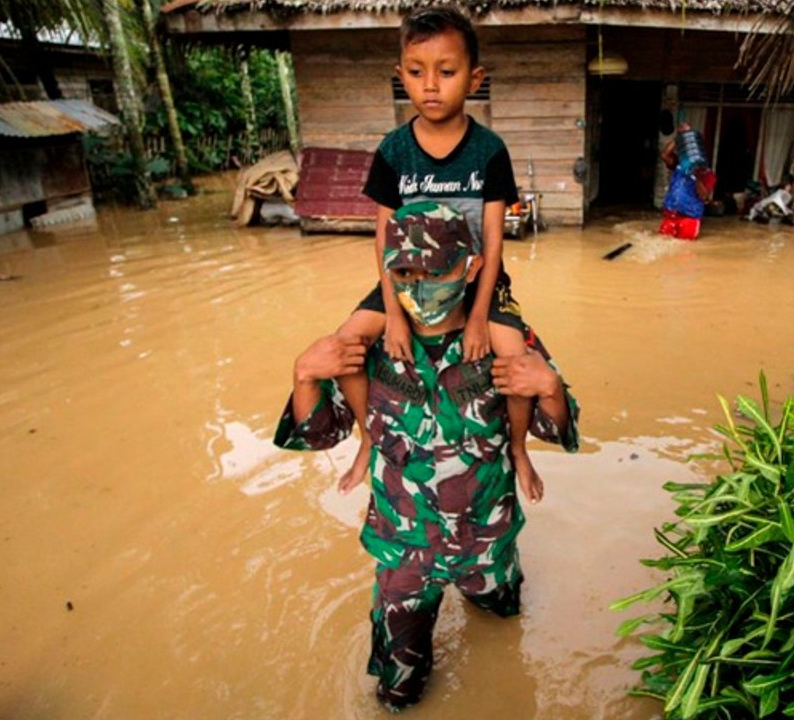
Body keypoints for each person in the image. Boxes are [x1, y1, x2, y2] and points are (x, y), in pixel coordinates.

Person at [276, 203, 580, 711]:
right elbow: (320, 433)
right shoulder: (368, 347)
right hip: (405, 549)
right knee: (398, 689)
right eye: (404, 273)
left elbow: (555, 426)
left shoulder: (503, 341)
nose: (419, 286)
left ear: (470, 267)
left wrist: (550, 388)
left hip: (488, 540)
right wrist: (303, 374)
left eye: (435, 271)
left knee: (504, 629)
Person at [334, 7, 545, 505]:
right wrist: (394, 316)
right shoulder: (393, 151)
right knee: (346, 343)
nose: (430, 85)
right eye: (415, 71)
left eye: (446, 72)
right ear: (400, 74)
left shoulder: (489, 150)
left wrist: (476, 317)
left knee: (514, 353)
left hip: (477, 279)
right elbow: (385, 240)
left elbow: (493, 241)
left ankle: (517, 448)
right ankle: (368, 435)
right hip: (407, 282)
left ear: (474, 79)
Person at [658, 122, 715, 240]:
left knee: (684, 250)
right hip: (671, 214)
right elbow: (664, 155)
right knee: (662, 242)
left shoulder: (708, 175)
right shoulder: (679, 163)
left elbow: (704, 197)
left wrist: (696, 176)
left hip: (690, 217)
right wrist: (681, 137)